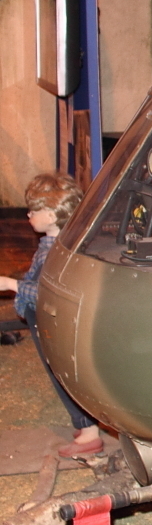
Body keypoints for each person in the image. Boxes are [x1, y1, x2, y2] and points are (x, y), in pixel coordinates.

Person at [0, 173, 102, 457]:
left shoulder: (53, 251)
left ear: (52, 214)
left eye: (34, 210)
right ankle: (85, 425)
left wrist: (11, 284)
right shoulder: (62, 242)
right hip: (51, 317)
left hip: (46, 317)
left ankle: (89, 431)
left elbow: (47, 293)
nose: (29, 215)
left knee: (59, 370)